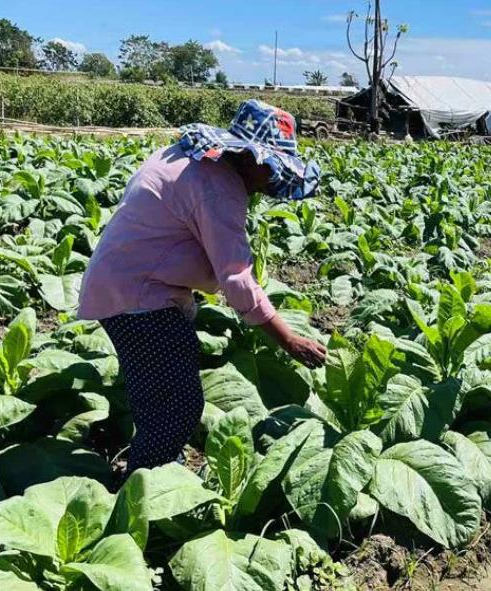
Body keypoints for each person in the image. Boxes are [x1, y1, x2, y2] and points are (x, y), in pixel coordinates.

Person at [78, 99, 327, 475]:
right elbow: (236, 278)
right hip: (139, 299)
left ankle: (160, 464)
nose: (273, 181)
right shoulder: (219, 188)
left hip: (123, 287)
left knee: (158, 395)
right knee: (178, 405)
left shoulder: (188, 159)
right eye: (272, 169)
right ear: (250, 158)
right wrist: (288, 340)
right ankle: (143, 487)